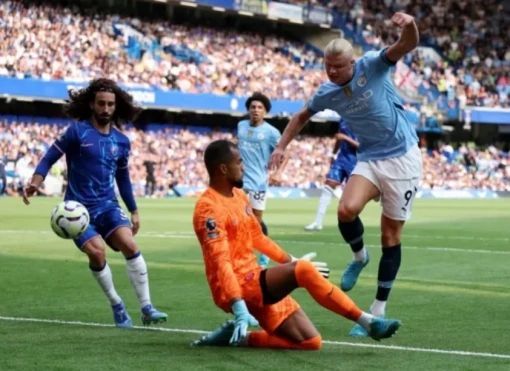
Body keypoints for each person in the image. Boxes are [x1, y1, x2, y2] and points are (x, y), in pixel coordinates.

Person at [268, 12, 422, 338]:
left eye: (339, 66)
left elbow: (407, 43)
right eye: (328, 67)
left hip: (403, 158)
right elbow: (301, 116)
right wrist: (282, 146)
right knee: (345, 210)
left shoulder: (373, 65)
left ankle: (377, 310)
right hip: (369, 157)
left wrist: (408, 24)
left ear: (352, 62)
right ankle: (359, 256)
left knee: (390, 237)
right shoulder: (327, 92)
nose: (333, 72)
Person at [190, 139, 401, 350]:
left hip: (253, 277)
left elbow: (258, 237)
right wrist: (238, 305)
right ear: (224, 169)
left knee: (310, 342)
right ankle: (368, 322)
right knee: (303, 271)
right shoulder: (208, 208)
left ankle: (236, 339)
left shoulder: (239, 196)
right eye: (240, 162)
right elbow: (221, 262)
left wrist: (291, 260)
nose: (244, 166)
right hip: (237, 288)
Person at [22, 78, 167, 328]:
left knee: (130, 245)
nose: (106, 108)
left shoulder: (122, 141)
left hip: (108, 206)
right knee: (97, 251)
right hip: (78, 211)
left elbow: (123, 177)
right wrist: (35, 182)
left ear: (115, 107)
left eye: (110, 104)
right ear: (92, 104)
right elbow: (49, 158)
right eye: (101, 103)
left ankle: (146, 307)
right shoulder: (77, 132)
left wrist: (133, 210)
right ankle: (116, 304)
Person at [237, 93, 287, 269]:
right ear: (249, 109)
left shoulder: (271, 132)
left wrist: (278, 173)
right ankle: (243, 253)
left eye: (260, 108)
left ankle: (265, 254)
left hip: (258, 183)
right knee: (238, 218)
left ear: (265, 111)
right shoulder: (241, 126)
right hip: (240, 183)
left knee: (256, 223)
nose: (256, 110)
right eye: (253, 107)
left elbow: (285, 154)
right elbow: (239, 151)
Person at [305, 118, 358, 231]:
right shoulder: (342, 120)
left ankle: (350, 226)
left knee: (351, 196)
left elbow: (362, 146)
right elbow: (339, 138)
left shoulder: (364, 120)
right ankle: (318, 222)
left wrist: (345, 138)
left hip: (356, 161)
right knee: (328, 186)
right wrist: (333, 154)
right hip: (341, 159)